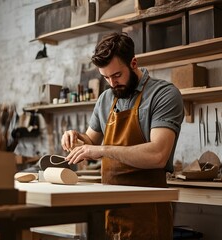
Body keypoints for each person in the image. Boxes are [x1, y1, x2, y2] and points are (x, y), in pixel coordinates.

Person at [61, 32, 184, 240]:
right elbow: (91, 142)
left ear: (133, 63)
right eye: (105, 77)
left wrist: (102, 150)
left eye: (117, 75)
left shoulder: (163, 94)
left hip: (146, 214)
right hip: (110, 210)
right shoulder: (106, 98)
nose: (111, 83)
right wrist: (76, 138)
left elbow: (158, 154)